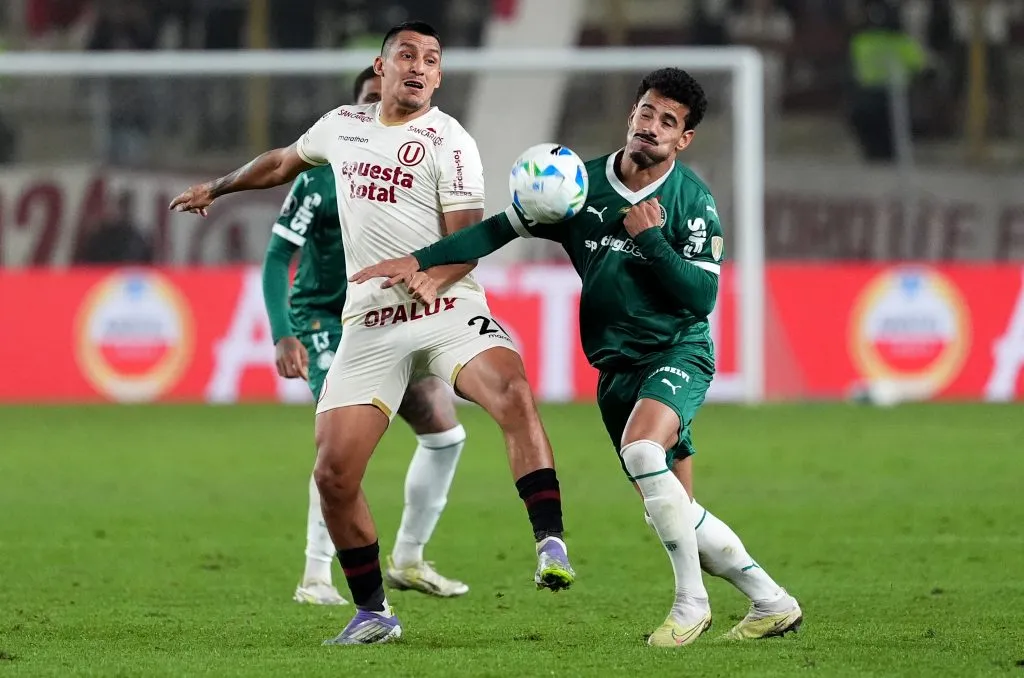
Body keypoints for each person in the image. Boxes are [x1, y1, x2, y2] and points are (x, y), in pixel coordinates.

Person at [351, 67, 803, 647]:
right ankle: (772, 601)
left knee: (644, 450)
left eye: (669, 122)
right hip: (614, 372)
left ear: (684, 138)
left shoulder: (692, 200)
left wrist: (650, 239)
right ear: (632, 114)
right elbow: (495, 232)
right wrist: (422, 259)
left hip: (677, 353)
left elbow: (702, 297)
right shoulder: (575, 184)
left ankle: (691, 605)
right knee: (676, 512)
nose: (652, 127)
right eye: (647, 112)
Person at [169, 21, 574, 646]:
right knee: (333, 471)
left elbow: (467, 235)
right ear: (380, 68)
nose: (419, 66)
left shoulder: (451, 141)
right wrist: (216, 188)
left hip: (443, 305)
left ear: (439, 77)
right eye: (406, 55)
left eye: (432, 59)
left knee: (510, 391)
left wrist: (430, 272)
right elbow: (281, 161)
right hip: (369, 321)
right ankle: (374, 612)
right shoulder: (341, 125)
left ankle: (549, 541)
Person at [262, 66, 469, 606]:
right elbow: (278, 254)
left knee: (446, 433)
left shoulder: (420, 168)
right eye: (369, 100)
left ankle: (408, 559)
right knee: (341, 450)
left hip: (388, 318)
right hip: (326, 319)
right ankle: (314, 576)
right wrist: (284, 333)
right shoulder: (319, 177)